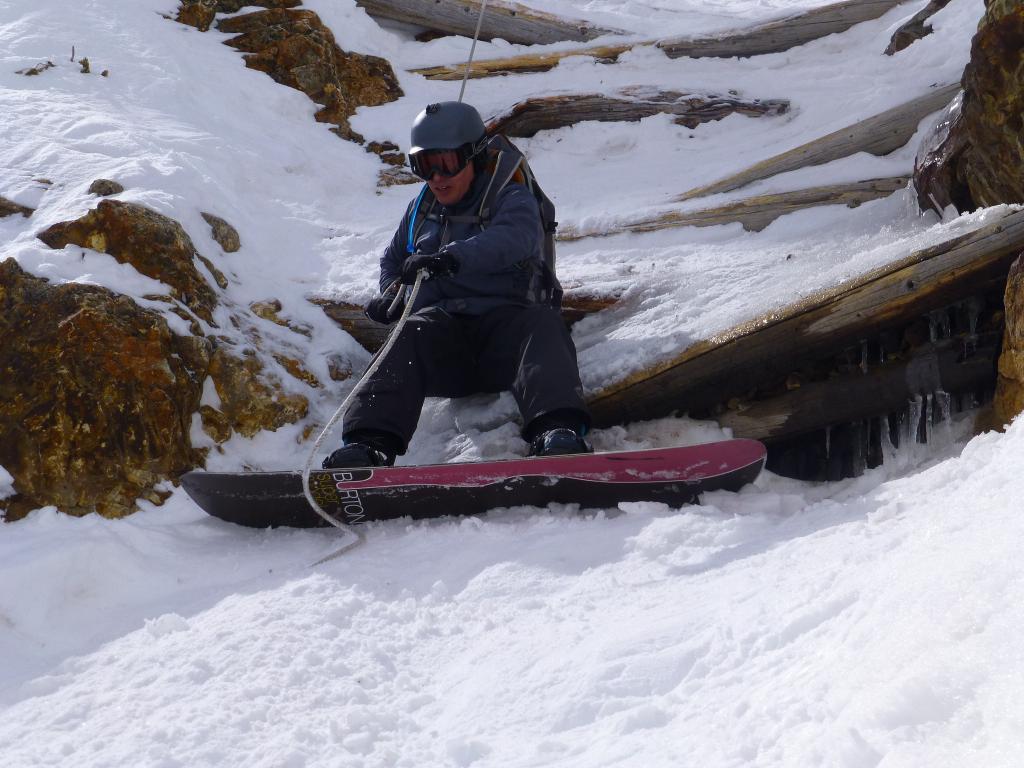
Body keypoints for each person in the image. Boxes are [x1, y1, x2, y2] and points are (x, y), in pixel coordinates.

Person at [323, 101, 592, 469]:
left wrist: (450, 258)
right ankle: (369, 445)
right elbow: (393, 262)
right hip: (446, 347)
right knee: (406, 335)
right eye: (424, 166)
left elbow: (515, 238)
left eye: (445, 163)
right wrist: (392, 296)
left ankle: (557, 431)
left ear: (474, 156)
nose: (436, 177)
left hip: (507, 341)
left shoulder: (510, 196)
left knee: (543, 325)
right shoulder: (422, 210)